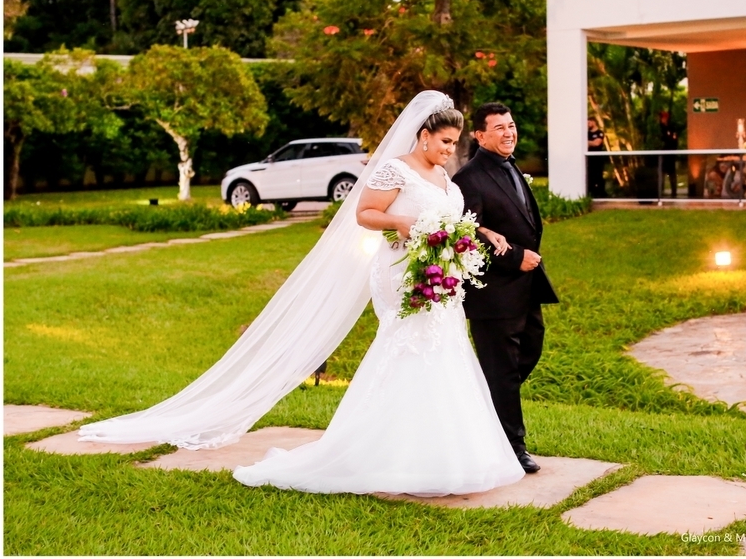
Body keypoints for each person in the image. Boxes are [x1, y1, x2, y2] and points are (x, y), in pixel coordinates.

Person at [80, 91, 525, 496]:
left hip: (440, 277)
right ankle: (380, 451)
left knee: (444, 350)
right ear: (424, 134)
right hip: (400, 272)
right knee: (407, 348)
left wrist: (473, 233)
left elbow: (452, 219)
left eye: (454, 144)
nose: (450, 151)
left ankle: (442, 450)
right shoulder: (394, 169)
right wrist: (402, 224)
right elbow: (366, 213)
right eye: (445, 142)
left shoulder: (446, 179)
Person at [452, 103, 559, 474]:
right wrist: (515, 258)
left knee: (529, 350)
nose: (508, 133)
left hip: (525, 288)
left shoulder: (512, 167)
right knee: (501, 372)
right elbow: (468, 235)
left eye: (511, 126)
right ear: (479, 136)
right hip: (493, 293)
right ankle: (512, 447)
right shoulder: (469, 179)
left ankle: (482, 410)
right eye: (498, 128)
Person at [659, 111, 678, 198]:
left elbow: (674, 139)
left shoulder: (672, 127)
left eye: (665, 117)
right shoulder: (659, 128)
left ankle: (674, 192)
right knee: (661, 173)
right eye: (662, 117)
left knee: (672, 174)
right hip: (662, 155)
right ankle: (660, 192)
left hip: (671, 154)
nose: (664, 119)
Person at [586, 117, 607, 198]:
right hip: (589, 158)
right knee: (590, 176)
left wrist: (588, 142)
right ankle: (591, 193)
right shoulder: (586, 134)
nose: (588, 125)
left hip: (597, 158)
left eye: (589, 123)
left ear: (593, 122)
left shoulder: (599, 132)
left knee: (598, 175)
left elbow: (597, 143)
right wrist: (591, 142)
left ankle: (601, 194)